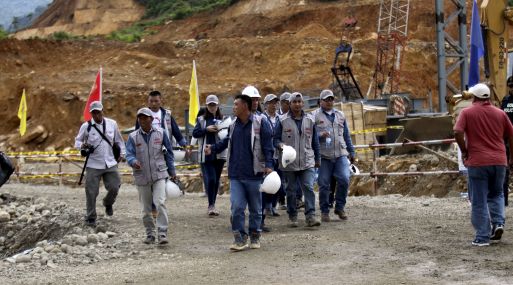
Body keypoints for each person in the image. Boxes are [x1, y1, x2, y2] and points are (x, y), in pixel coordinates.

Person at [205, 94, 274, 251]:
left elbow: (267, 146)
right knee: (236, 207)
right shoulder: (233, 124)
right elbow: (226, 141)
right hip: (236, 174)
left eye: (236, 104)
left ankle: (255, 235)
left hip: (255, 174)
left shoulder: (260, 122)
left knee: (256, 209)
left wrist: (269, 165)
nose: (233, 107)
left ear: (245, 106)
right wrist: (213, 148)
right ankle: (240, 238)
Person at [454, 83, 513, 246]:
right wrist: (511, 157)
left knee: (479, 199)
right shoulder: (500, 113)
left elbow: (457, 131)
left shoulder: (467, 112)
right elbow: (511, 133)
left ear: (474, 97)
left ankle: (482, 237)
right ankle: (498, 224)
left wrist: (464, 151)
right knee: (497, 194)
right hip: (500, 161)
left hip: (478, 162)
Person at [135, 90, 190, 218]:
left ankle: (159, 201)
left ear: (161, 101)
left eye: (156, 101)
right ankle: (154, 206)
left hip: (164, 148)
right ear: (148, 102)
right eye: (151, 101)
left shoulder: (167, 115)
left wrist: (184, 144)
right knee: (151, 176)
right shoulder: (142, 115)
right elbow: (136, 132)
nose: (154, 103)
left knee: (162, 175)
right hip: (148, 149)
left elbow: (176, 131)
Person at [126, 107, 176, 245]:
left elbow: (169, 153)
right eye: (140, 118)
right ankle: (150, 234)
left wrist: (172, 172)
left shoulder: (161, 133)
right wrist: (133, 161)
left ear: (151, 119)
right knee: (146, 208)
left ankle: (162, 233)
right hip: (142, 176)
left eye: (145, 117)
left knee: (160, 203)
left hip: (159, 174)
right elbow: (129, 154)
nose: (142, 120)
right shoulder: (133, 137)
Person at [274, 92, 322, 228]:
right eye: (294, 102)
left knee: (308, 187)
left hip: (307, 160)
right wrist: (280, 145)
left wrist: (317, 159)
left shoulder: (310, 120)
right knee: (291, 189)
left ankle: (311, 216)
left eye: (299, 102)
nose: (297, 104)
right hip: (289, 162)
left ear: (303, 103)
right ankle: (292, 216)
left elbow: (315, 142)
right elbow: (275, 139)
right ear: (289, 104)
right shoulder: (282, 120)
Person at [74, 101, 125, 227]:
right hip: (93, 164)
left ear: (102, 111)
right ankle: (91, 217)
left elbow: (119, 140)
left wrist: (122, 154)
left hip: (110, 162)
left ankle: (108, 203)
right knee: (91, 192)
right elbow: (77, 142)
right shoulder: (86, 126)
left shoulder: (112, 124)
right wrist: (83, 145)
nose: (97, 115)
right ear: (91, 113)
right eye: (94, 113)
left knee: (115, 186)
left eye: (98, 112)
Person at [312, 89, 355, 222]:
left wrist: (351, 151)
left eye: (331, 99)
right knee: (324, 184)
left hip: (340, 154)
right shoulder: (314, 116)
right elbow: (309, 136)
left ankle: (340, 207)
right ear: (321, 101)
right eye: (327, 99)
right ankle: (325, 211)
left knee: (344, 179)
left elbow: (346, 135)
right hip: (324, 156)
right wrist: (320, 135)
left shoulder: (340, 115)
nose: (330, 102)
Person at [192, 95, 227, 216]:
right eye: (210, 105)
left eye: (214, 105)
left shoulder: (224, 119)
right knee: (211, 179)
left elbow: (228, 135)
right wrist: (206, 129)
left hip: (220, 154)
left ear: (218, 106)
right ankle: (210, 204)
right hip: (206, 154)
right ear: (206, 106)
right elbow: (195, 133)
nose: (212, 107)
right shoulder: (201, 120)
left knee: (216, 180)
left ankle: (212, 204)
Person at [500, 76, 513, 207]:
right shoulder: (505, 101)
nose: (512, 88)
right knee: (504, 171)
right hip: (506, 140)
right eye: (511, 85)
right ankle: (504, 200)